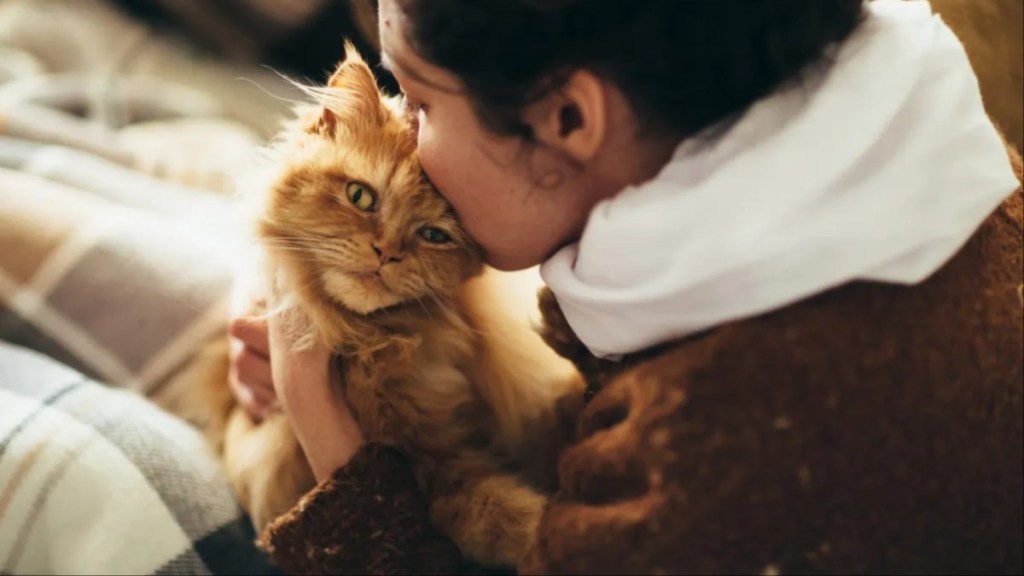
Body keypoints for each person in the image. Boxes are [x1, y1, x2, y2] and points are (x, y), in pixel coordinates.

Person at [228, 0, 1024, 573]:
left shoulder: (691, 463)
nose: (403, 132)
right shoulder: (928, 144)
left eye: (423, 103)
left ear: (570, 119)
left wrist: (320, 412)